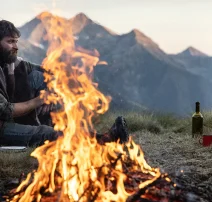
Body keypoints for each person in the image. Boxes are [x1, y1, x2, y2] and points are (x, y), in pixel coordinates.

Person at [0, 20, 128, 147]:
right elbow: (5, 110)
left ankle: (74, 134)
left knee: (43, 82)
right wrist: (39, 100)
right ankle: (104, 140)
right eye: (10, 42)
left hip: (10, 116)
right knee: (45, 134)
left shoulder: (12, 63)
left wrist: (47, 93)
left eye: (16, 41)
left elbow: (48, 74)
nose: (15, 47)